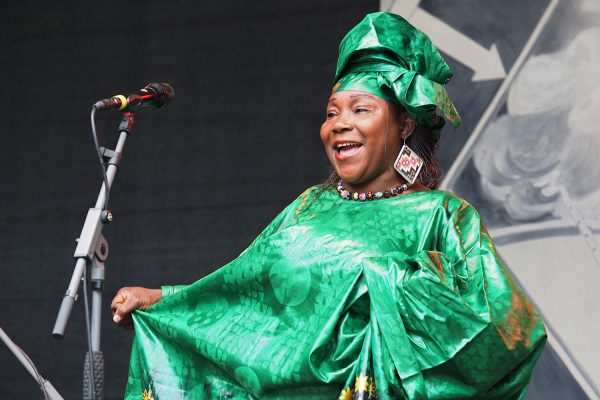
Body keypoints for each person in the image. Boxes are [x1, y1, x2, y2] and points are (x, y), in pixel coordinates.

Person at [112, 12, 546, 400]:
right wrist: (164, 300)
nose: (340, 123)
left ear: (404, 124)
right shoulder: (309, 206)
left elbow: (510, 335)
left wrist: (388, 284)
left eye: (361, 109)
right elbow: (243, 296)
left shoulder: (443, 217)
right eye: (332, 112)